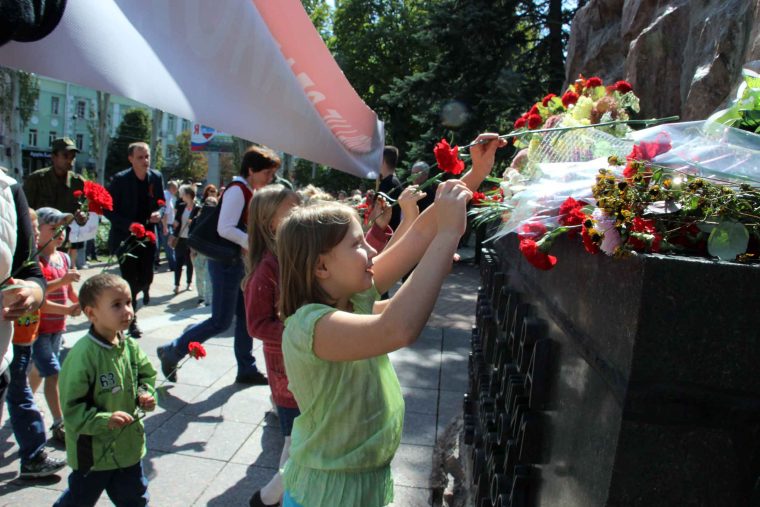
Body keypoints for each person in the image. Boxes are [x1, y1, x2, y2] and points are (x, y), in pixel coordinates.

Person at [276, 134, 505, 507]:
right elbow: (398, 328)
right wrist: (450, 235)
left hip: (361, 480)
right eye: (357, 244)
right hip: (328, 493)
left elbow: (420, 234)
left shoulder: (351, 299)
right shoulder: (311, 326)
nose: (371, 250)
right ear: (321, 267)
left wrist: (473, 176)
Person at [157, 146, 280, 385]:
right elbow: (225, 228)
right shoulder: (238, 190)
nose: (270, 178)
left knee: (245, 318)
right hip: (226, 264)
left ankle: (246, 368)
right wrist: (252, 242)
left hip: (234, 263)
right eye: (267, 173)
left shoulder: (245, 190)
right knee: (220, 321)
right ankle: (173, 350)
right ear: (251, 170)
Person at [53, 273, 156, 507]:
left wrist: (145, 394)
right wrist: (104, 420)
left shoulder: (129, 345)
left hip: (128, 448)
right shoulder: (83, 355)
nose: (127, 311)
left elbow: (146, 375)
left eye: (128, 302)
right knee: (79, 500)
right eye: (117, 305)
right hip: (93, 454)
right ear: (91, 313)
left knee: (135, 499)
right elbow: (71, 408)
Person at [1, 173, 66, 479]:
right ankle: (42, 441)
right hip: (27, 339)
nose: (59, 234)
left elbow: (32, 276)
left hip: (22, 340)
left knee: (25, 385)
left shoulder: (8, 189)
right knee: (30, 386)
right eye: (53, 229)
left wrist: (32, 291)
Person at [243, 185, 301, 507]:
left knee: (300, 439)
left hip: (302, 365)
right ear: (270, 223)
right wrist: (297, 331)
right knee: (296, 441)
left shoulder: (291, 255)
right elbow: (256, 325)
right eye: (292, 211)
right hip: (286, 375)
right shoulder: (267, 268)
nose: (301, 215)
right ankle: (269, 497)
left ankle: (272, 496)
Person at [28, 207, 82, 444]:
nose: (60, 233)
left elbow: (69, 292)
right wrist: (67, 307)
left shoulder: (64, 258)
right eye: (53, 228)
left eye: (63, 228)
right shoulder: (35, 262)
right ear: (38, 231)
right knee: (53, 372)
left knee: (40, 370)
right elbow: (40, 298)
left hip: (57, 328)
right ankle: (59, 423)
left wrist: (83, 303)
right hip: (39, 330)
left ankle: (25, 401)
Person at [104, 142, 165, 338]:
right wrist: (128, 224)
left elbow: (162, 203)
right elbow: (107, 209)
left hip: (147, 236)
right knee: (130, 280)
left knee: (147, 277)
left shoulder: (156, 177)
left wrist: (159, 212)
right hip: (126, 238)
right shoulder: (120, 180)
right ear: (131, 159)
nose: (145, 161)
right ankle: (131, 320)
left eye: (147, 156)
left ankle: (138, 293)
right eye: (140, 157)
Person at [23, 137, 89, 263]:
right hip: (38, 244)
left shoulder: (78, 183)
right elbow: (25, 211)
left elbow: (85, 211)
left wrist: (82, 217)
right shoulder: (36, 180)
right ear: (53, 157)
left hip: (62, 244)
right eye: (65, 156)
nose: (70, 161)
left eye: (73, 157)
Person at [171, 184, 200, 295]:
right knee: (178, 261)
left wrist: (193, 222)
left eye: (182, 194)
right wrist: (175, 223)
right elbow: (177, 220)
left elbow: (199, 223)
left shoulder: (197, 207)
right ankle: (176, 285)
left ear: (188, 195)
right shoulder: (181, 206)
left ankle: (189, 283)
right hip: (180, 237)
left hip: (191, 239)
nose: (181, 196)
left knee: (189, 262)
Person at [377, 145, 403, 230]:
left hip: (387, 231)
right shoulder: (395, 181)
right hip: (394, 229)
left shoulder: (386, 184)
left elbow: (380, 213)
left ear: (382, 161)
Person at [158, 180, 178, 272]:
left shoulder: (168, 196)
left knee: (168, 245)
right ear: (172, 188)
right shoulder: (167, 196)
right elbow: (165, 214)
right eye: (176, 188)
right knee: (169, 245)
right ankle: (174, 265)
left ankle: (173, 264)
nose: (177, 190)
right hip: (165, 224)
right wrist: (165, 226)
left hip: (167, 223)